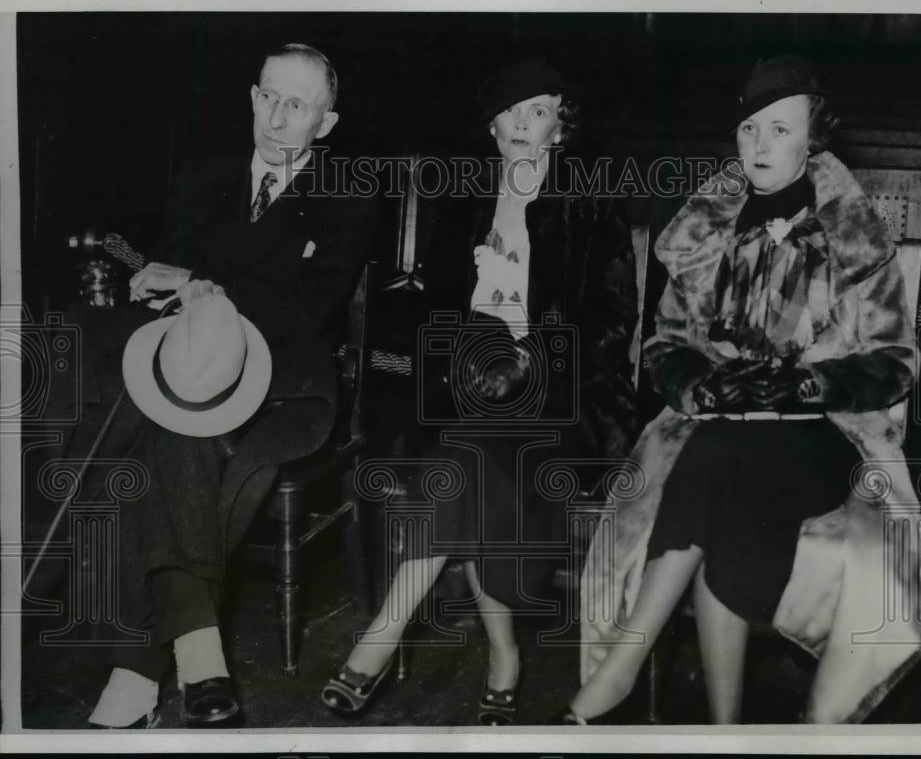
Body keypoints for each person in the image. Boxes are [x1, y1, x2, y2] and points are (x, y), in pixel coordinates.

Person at [566, 56, 921, 725]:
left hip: (825, 431)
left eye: (779, 130)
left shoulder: (855, 237)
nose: (760, 146)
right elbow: (663, 348)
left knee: (718, 462)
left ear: (811, 139)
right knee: (722, 467)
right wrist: (700, 383)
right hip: (721, 426)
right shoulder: (704, 233)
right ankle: (724, 731)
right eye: (749, 130)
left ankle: (622, 671)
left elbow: (895, 361)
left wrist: (806, 381)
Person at [321, 58, 639, 725]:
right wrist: (463, 348)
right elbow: (434, 308)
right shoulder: (467, 200)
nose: (524, 123)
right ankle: (504, 656)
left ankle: (380, 637)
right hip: (471, 391)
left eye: (540, 110)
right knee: (467, 455)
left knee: (460, 464)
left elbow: (611, 324)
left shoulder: (592, 200)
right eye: (511, 111)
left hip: (568, 397)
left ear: (560, 126)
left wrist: (530, 355)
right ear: (492, 126)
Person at [82, 43, 378, 728]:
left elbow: (309, 309)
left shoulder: (349, 192)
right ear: (251, 97)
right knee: (164, 416)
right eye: (268, 96)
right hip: (194, 367)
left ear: (325, 124)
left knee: (160, 430)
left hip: (287, 384)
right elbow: (163, 273)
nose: (277, 117)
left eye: (297, 104)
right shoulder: (201, 177)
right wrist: (162, 281)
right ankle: (196, 647)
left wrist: (192, 283)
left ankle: (137, 670)